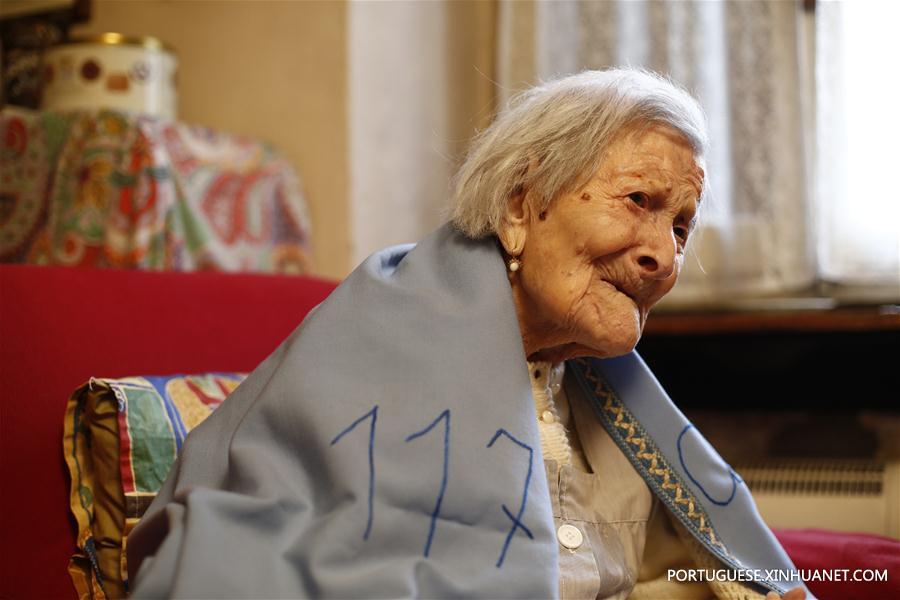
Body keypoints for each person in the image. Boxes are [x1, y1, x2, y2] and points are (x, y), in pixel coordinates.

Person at [127, 69, 811, 599]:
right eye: (638, 202)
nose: (662, 254)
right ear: (521, 204)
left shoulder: (608, 393)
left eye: (681, 227)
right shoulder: (383, 328)